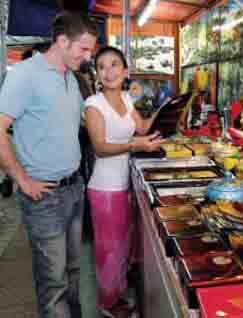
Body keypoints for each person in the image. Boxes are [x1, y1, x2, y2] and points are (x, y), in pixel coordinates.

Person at [0, 11, 97, 318]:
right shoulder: (24, 74)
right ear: (62, 41)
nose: (88, 56)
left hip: (73, 189)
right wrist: (22, 180)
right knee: (53, 284)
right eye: (83, 49)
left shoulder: (73, 79)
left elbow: (84, 123)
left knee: (72, 273)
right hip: (44, 197)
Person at [84, 46, 162, 317]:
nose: (108, 71)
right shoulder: (93, 104)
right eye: (102, 66)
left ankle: (116, 295)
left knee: (122, 245)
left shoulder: (127, 100)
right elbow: (101, 148)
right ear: (97, 73)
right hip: (105, 189)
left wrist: (169, 112)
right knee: (109, 250)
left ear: (125, 71)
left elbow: (142, 128)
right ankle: (106, 304)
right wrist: (136, 144)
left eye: (114, 64)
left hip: (123, 184)